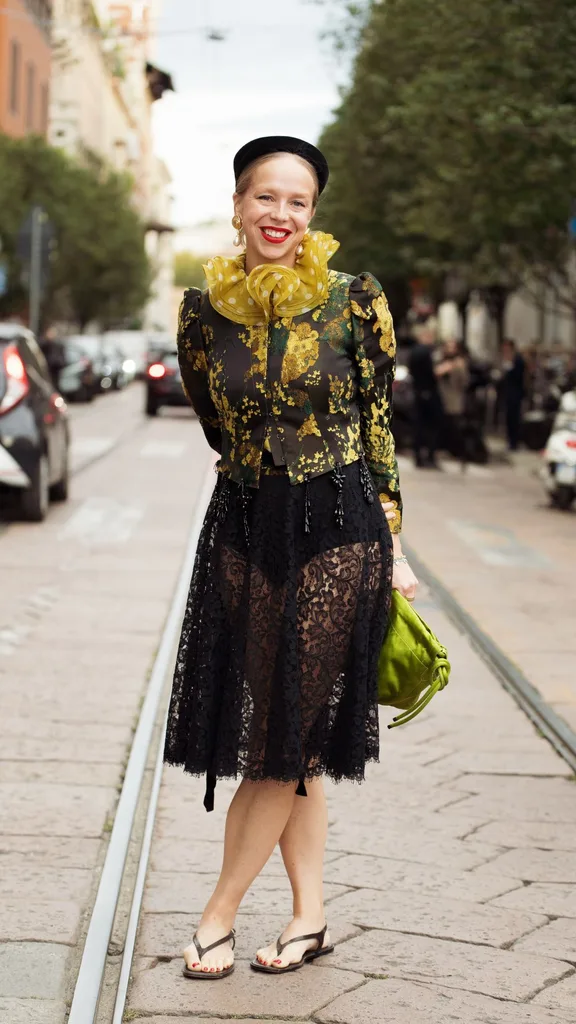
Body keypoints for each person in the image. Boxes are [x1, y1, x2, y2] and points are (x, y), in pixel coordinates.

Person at [163, 136, 418, 980]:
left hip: (339, 525)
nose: (280, 215)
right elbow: (211, 416)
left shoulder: (355, 301)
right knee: (292, 736)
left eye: (297, 202)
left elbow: (379, 422)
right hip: (242, 526)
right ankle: (310, 917)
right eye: (264, 198)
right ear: (238, 205)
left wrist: (396, 540)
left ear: (314, 214)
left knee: (280, 736)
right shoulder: (201, 311)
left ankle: (216, 916)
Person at [407, 326, 443, 467]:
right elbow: (431, 374)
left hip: (417, 392)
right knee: (432, 426)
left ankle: (418, 456)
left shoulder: (413, 352)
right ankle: (430, 455)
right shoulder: (426, 352)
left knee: (418, 426)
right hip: (428, 393)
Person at [435, 339, 470, 462]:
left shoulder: (459, 363)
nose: (450, 350)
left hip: (454, 399)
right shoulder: (440, 361)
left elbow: (464, 382)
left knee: (455, 426)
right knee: (443, 426)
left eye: (452, 347)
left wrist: (456, 368)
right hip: (441, 398)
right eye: (448, 347)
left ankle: (457, 452)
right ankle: (444, 449)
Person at [499, 338, 526, 451]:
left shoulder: (518, 360)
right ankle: (510, 441)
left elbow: (518, 376)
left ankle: (514, 442)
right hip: (507, 393)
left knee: (514, 418)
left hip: (515, 394)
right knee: (508, 418)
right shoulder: (506, 359)